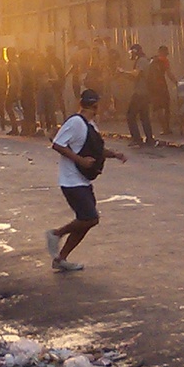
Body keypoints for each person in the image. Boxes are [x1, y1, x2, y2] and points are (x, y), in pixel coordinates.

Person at [45, 89, 127, 271]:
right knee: (90, 218)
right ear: (95, 104)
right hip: (71, 180)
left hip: (82, 180)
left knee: (87, 220)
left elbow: (95, 149)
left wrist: (114, 154)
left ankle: (61, 259)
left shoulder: (91, 125)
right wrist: (80, 160)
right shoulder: (76, 122)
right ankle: (56, 234)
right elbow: (57, 144)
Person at [120, 43, 155, 145]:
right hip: (144, 92)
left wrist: (123, 72)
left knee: (130, 115)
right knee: (144, 116)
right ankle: (149, 139)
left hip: (140, 93)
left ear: (135, 52)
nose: (130, 55)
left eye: (131, 52)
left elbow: (136, 74)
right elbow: (135, 77)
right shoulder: (142, 60)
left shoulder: (142, 61)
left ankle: (136, 139)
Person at [147, 45, 178, 135]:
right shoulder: (164, 61)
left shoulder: (152, 61)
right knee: (166, 107)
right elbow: (169, 73)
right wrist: (176, 82)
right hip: (162, 86)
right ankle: (167, 128)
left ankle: (164, 128)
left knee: (158, 108)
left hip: (153, 87)